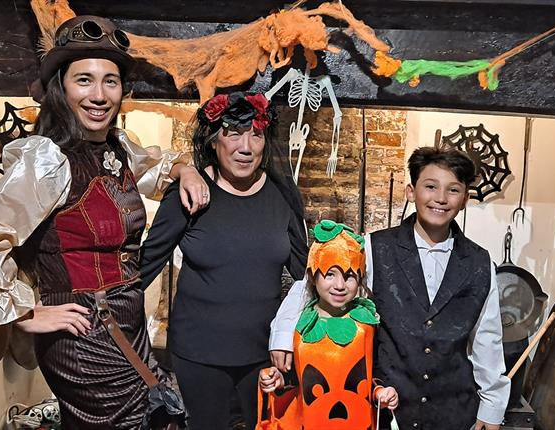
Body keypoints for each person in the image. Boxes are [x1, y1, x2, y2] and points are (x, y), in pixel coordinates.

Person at [0, 15, 209, 429]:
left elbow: (153, 166)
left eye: (111, 81)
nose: (99, 95)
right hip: (82, 332)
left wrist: (185, 170)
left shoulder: (118, 147)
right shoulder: (47, 161)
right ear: (61, 89)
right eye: (84, 80)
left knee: (159, 417)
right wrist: (27, 313)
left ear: (123, 90)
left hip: (128, 323)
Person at [270, 147, 510, 430]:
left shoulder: (480, 262)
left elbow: (488, 338)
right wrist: (283, 335)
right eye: (430, 187)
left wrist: (492, 409)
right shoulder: (375, 246)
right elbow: (312, 282)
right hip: (386, 409)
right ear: (411, 192)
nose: (441, 199)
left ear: (465, 200)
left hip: (453, 412)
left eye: (453, 190)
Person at [138, 91, 309, 429]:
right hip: (199, 356)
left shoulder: (281, 197)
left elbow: (307, 274)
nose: (245, 147)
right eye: (233, 132)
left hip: (264, 356)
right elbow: (144, 266)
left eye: (255, 134)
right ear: (214, 140)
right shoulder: (190, 192)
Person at [258, 220, 398, 429]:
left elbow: (373, 374)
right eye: (330, 274)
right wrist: (276, 380)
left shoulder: (367, 325)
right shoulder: (299, 324)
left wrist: (381, 393)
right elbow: (293, 380)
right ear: (312, 277)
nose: (340, 285)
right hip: (309, 420)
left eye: (350, 276)